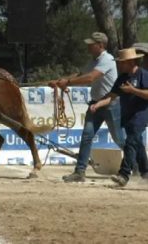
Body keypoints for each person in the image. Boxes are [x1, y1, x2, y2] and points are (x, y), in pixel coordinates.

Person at [48, 32, 125, 182]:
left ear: (101, 45)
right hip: (96, 103)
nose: (89, 47)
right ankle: (80, 171)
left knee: (119, 139)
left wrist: (67, 82)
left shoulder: (107, 60)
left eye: (92, 44)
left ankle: (138, 166)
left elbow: (90, 77)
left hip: (110, 103)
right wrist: (61, 81)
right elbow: (81, 73)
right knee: (87, 136)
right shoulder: (95, 60)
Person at [90, 47, 148, 186]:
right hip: (127, 116)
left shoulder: (143, 74)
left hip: (141, 114)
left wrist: (132, 90)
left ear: (131, 62)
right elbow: (111, 97)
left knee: (130, 141)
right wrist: (97, 104)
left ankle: (124, 174)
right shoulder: (122, 78)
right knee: (137, 143)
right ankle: (146, 172)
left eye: (122, 62)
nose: (119, 65)